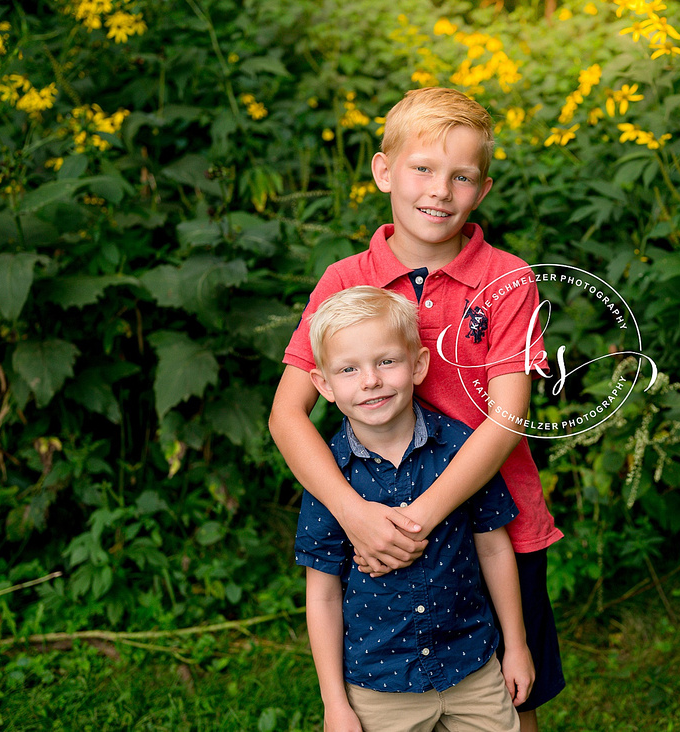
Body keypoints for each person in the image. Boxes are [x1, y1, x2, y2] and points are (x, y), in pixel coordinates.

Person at [270, 87, 565, 729]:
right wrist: (356, 517)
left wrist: (418, 518)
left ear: (481, 190)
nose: (440, 190)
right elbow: (285, 416)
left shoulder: (509, 281)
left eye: (461, 177)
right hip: (371, 520)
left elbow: (509, 415)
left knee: (514, 699)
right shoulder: (344, 281)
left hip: (495, 521)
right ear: (384, 172)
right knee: (393, 694)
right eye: (423, 169)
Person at [297, 286, 532, 731]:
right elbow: (322, 592)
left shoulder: (461, 449)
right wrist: (334, 702)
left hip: (472, 666)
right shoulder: (329, 477)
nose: (371, 380)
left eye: (386, 361)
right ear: (324, 385)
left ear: (418, 364)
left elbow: (495, 548)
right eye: (349, 369)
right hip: (379, 682)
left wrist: (515, 645)